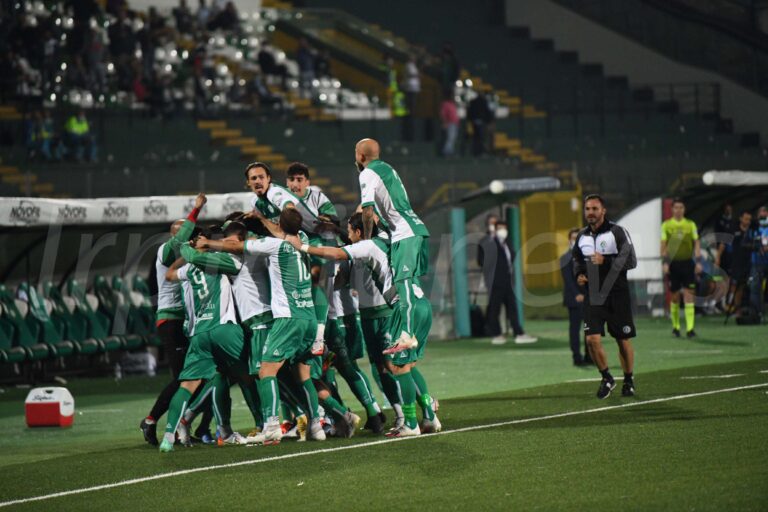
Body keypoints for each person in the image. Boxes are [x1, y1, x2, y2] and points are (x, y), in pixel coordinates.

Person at [288, 213, 441, 436]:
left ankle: (411, 421)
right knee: (400, 366)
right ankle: (427, 415)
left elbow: (336, 252)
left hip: (399, 309)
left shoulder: (369, 246)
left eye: (350, 231)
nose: (348, 236)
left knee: (397, 366)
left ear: (359, 232)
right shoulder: (390, 239)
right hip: (416, 303)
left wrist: (302, 247)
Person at [196, 209, 326, 445]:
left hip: (288, 317)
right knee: (302, 374)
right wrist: (262, 219)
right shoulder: (302, 240)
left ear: (279, 225)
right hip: (309, 316)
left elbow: (238, 247)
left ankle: (272, 426)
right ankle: (317, 425)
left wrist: (207, 242)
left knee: (267, 371)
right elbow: (280, 230)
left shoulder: (273, 246)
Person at [139, 193, 206, 446]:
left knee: (200, 376)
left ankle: (185, 423)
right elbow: (181, 239)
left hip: (185, 322)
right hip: (171, 320)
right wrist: (196, 210)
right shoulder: (165, 251)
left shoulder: (187, 254)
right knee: (184, 378)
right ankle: (153, 420)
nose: (187, 239)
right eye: (183, 235)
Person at [355, 138, 429, 354]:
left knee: (403, 283)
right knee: (407, 284)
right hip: (413, 229)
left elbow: (367, 210)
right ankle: (407, 332)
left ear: (360, 156)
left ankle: (407, 334)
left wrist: (367, 240)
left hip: (405, 233)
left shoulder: (367, 173)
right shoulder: (387, 168)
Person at [572, 194, 637, 399]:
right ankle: (606, 377)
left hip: (617, 294)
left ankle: (628, 379)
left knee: (622, 340)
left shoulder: (617, 232)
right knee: (591, 339)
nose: (590, 213)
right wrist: (579, 275)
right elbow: (576, 259)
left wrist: (606, 261)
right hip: (594, 295)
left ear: (603, 211)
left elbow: (631, 261)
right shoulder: (581, 236)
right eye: (587, 209)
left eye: (594, 209)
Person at [477, 220, 536, 345]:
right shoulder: (489, 243)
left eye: (504, 227)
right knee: (494, 309)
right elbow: (482, 260)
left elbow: (511, 260)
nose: (503, 230)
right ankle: (496, 334)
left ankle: (518, 333)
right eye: (500, 228)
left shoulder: (507, 244)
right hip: (495, 282)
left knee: (512, 308)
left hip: (508, 281)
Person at [661, 198, 701, 338]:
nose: (678, 210)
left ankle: (690, 329)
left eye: (681, 207)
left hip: (688, 263)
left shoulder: (690, 224)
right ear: (672, 209)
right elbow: (664, 246)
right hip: (673, 265)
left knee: (690, 295)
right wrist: (665, 263)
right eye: (676, 207)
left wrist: (698, 261)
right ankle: (676, 327)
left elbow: (696, 243)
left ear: (684, 209)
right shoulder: (666, 225)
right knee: (675, 297)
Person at [561, 228, 590, 366]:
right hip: (574, 299)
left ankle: (590, 356)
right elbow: (568, 279)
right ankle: (576, 357)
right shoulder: (565, 257)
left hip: (587, 298)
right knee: (575, 329)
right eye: (573, 238)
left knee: (589, 328)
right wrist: (577, 294)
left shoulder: (587, 256)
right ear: (569, 240)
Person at [717, 210, 753, 317]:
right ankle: (731, 306)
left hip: (750, 262)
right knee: (734, 285)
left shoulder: (752, 230)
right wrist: (718, 257)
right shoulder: (733, 230)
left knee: (744, 286)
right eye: (746, 219)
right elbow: (723, 244)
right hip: (736, 262)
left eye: (749, 219)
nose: (748, 221)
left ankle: (742, 308)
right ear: (741, 219)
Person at [749, 206, 768, 319]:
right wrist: (757, 246)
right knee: (755, 287)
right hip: (757, 262)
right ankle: (756, 313)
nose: (764, 216)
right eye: (762, 214)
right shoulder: (753, 230)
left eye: (766, 214)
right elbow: (747, 244)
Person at [467, 92, 493, 156]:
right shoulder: (483, 102)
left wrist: (470, 119)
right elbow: (487, 112)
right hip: (481, 121)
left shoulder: (473, 102)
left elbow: (469, 112)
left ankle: (476, 152)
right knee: (481, 137)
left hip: (475, 121)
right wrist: (489, 121)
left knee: (476, 138)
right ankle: (480, 152)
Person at [440, 92, 459, 156]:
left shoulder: (452, 104)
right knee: (450, 138)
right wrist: (445, 122)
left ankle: (450, 151)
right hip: (449, 123)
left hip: (454, 123)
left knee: (452, 138)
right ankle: (446, 152)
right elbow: (443, 114)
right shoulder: (445, 104)